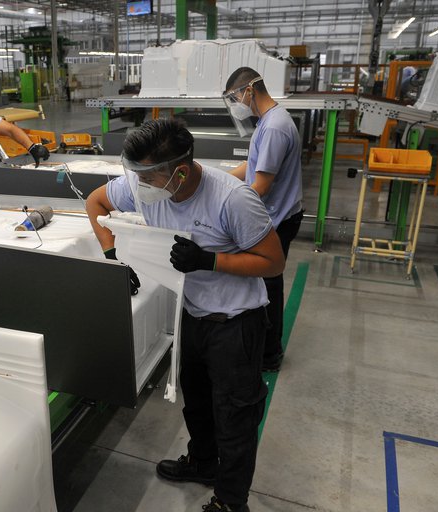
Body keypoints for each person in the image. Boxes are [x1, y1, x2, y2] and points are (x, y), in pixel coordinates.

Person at [85, 118, 285, 512]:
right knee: (196, 402)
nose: (139, 184)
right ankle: (203, 463)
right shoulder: (142, 185)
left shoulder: (233, 199)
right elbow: (96, 202)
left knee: (235, 416)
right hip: (191, 313)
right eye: (136, 174)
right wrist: (113, 256)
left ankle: (231, 501)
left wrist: (211, 260)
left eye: (147, 176)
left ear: (179, 172)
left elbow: (273, 262)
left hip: (235, 323)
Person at [224, 67, 303, 373]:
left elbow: (261, 185)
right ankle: (265, 348)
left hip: (277, 218)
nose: (236, 105)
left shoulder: (274, 127)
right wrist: (216, 179)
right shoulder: (269, 121)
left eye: (235, 98)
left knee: (268, 285)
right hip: (279, 213)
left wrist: (226, 203)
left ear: (249, 90)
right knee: (266, 283)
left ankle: (269, 354)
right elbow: (252, 165)